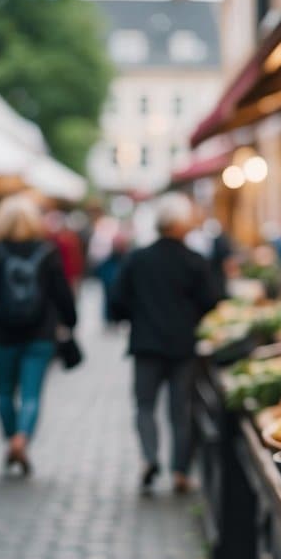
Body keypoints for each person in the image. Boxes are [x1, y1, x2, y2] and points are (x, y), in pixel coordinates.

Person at [110, 194, 221, 493]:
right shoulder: (194, 261)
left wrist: (134, 315)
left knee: (144, 405)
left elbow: (116, 300)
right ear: (182, 226)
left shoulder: (137, 258)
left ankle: (149, 458)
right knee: (179, 410)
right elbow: (211, 300)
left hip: (146, 343)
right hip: (182, 345)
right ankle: (180, 472)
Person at [0, 194, 77, 475]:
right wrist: (70, 322)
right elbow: (62, 292)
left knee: (5, 392)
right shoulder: (47, 251)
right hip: (40, 331)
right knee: (31, 393)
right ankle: (22, 438)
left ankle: (11, 439)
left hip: (2, 332)